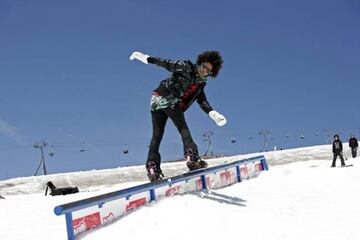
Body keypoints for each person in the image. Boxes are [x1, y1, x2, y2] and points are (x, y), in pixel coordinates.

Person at [130, 50, 226, 181]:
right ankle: (191, 155)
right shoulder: (186, 66)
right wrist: (146, 58)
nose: (204, 71)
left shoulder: (200, 85)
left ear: (210, 73)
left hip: (156, 100)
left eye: (208, 71)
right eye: (204, 66)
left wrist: (212, 113)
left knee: (157, 135)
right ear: (200, 63)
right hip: (166, 96)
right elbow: (166, 63)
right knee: (182, 126)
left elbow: (202, 101)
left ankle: (153, 167)